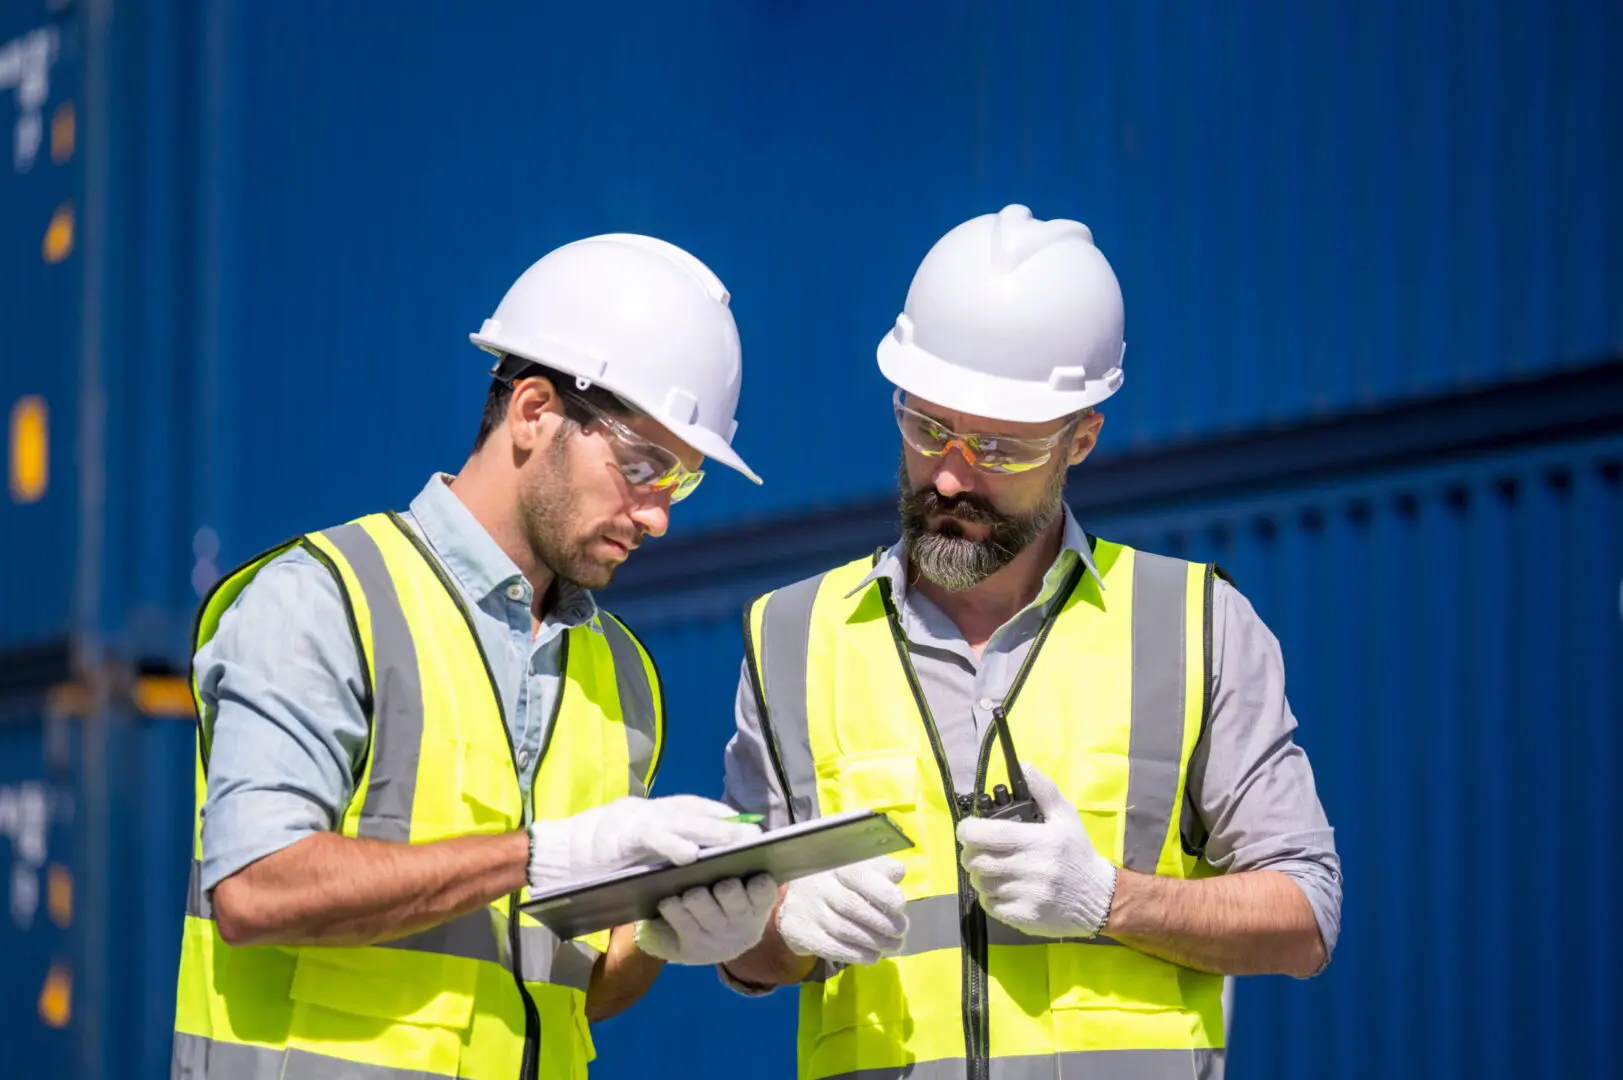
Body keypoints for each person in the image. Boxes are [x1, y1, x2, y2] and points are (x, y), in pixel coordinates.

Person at [718, 205, 1342, 1079]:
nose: (949, 475)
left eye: (998, 448)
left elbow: (1304, 918)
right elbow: (741, 955)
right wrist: (779, 927)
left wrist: (1107, 899)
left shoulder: (1193, 624)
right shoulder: (790, 636)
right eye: (926, 428)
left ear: (1080, 438)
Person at [172, 233, 782, 1080]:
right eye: (642, 465)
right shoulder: (324, 600)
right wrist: (536, 856)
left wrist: (660, 934)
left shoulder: (622, 677)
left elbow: (567, 992)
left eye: (680, 482)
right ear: (532, 410)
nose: (657, 517)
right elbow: (255, 887)